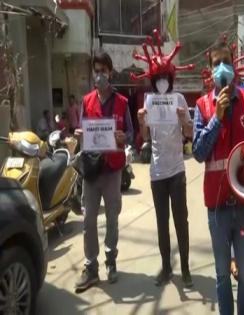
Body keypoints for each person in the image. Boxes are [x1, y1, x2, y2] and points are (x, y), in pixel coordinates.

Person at [193, 41, 244, 315]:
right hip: (218, 208)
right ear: (209, 70)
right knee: (222, 275)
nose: (221, 68)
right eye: (215, 63)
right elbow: (199, 152)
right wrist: (216, 119)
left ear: (234, 66)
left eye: (226, 62)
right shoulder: (202, 106)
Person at [74, 51, 133, 292]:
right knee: (88, 219)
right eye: (96, 71)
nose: (100, 75)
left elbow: (130, 133)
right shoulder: (87, 101)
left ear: (111, 72)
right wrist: (79, 135)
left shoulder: (122, 102)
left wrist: (123, 137)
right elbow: (82, 130)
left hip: (113, 169)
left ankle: (110, 260)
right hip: (91, 169)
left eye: (103, 71)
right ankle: (91, 267)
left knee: (112, 218)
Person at [137, 73, 194, 288]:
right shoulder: (149, 100)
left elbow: (189, 131)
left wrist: (182, 120)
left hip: (177, 170)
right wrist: (142, 121)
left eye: (165, 77)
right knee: (162, 223)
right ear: (153, 80)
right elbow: (145, 136)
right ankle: (166, 267)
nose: (162, 81)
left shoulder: (179, 99)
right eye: (158, 77)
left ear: (171, 78)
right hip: (157, 172)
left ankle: (186, 268)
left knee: (181, 221)